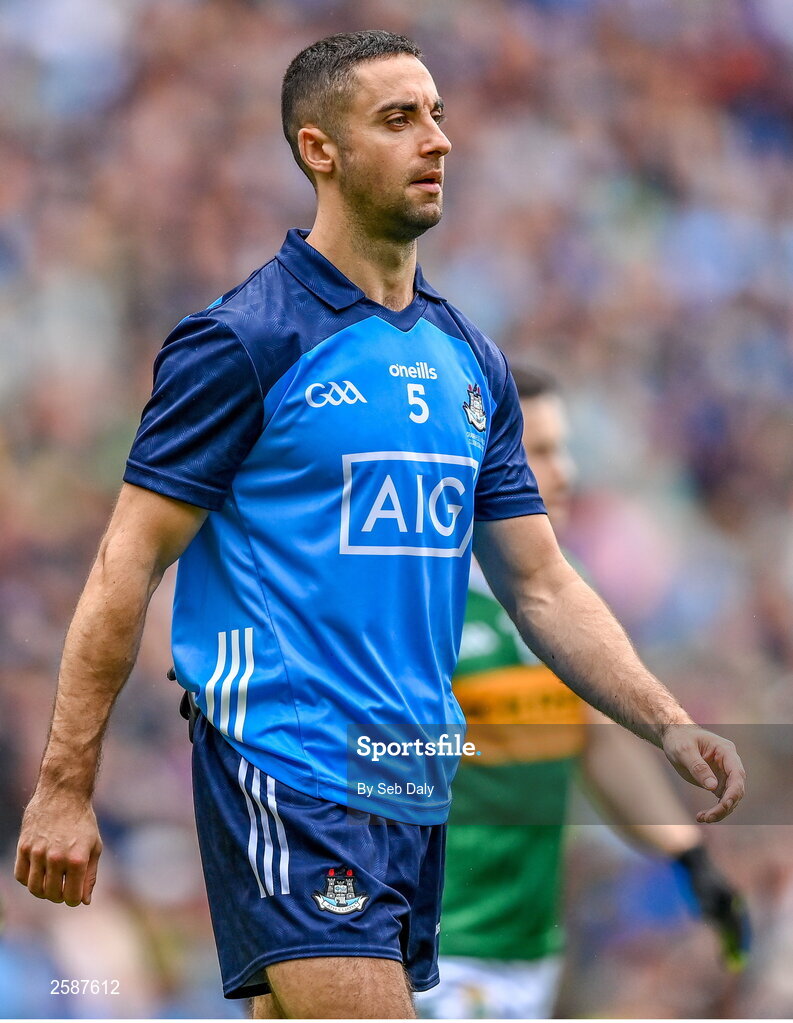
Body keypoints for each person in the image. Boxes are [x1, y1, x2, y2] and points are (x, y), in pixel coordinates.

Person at [14, 30, 745, 1020]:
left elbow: (540, 583)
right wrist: (65, 787)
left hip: (411, 795)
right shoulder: (246, 340)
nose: (436, 139)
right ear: (319, 148)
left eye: (437, 115)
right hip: (292, 768)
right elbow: (125, 564)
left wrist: (664, 719)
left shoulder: (468, 360)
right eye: (399, 120)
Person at [418, 367, 750, 1020]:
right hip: (434, 953)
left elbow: (593, 743)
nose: (564, 472)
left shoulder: (570, 592)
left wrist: (686, 857)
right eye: (537, 451)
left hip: (529, 950)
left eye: (561, 447)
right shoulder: (419, 595)